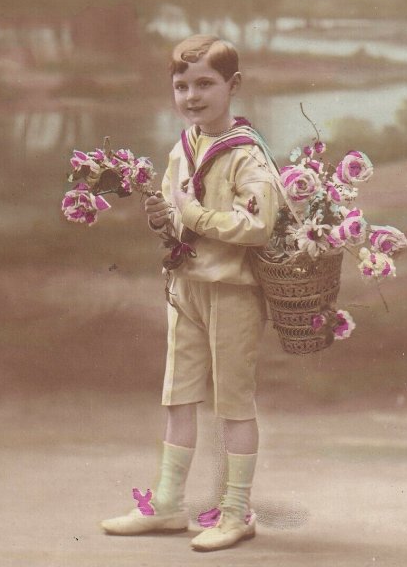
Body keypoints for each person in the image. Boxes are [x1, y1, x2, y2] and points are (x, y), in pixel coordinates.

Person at [100, 35, 280, 552]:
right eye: (181, 85)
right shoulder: (183, 147)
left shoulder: (248, 156)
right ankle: (167, 505)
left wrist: (195, 215)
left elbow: (259, 225)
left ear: (234, 85)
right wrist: (167, 219)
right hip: (186, 289)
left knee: (234, 404)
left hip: (232, 293)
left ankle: (235, 511)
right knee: (178, 396)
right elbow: (176, 211)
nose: (192, 95)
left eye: (205, 83)